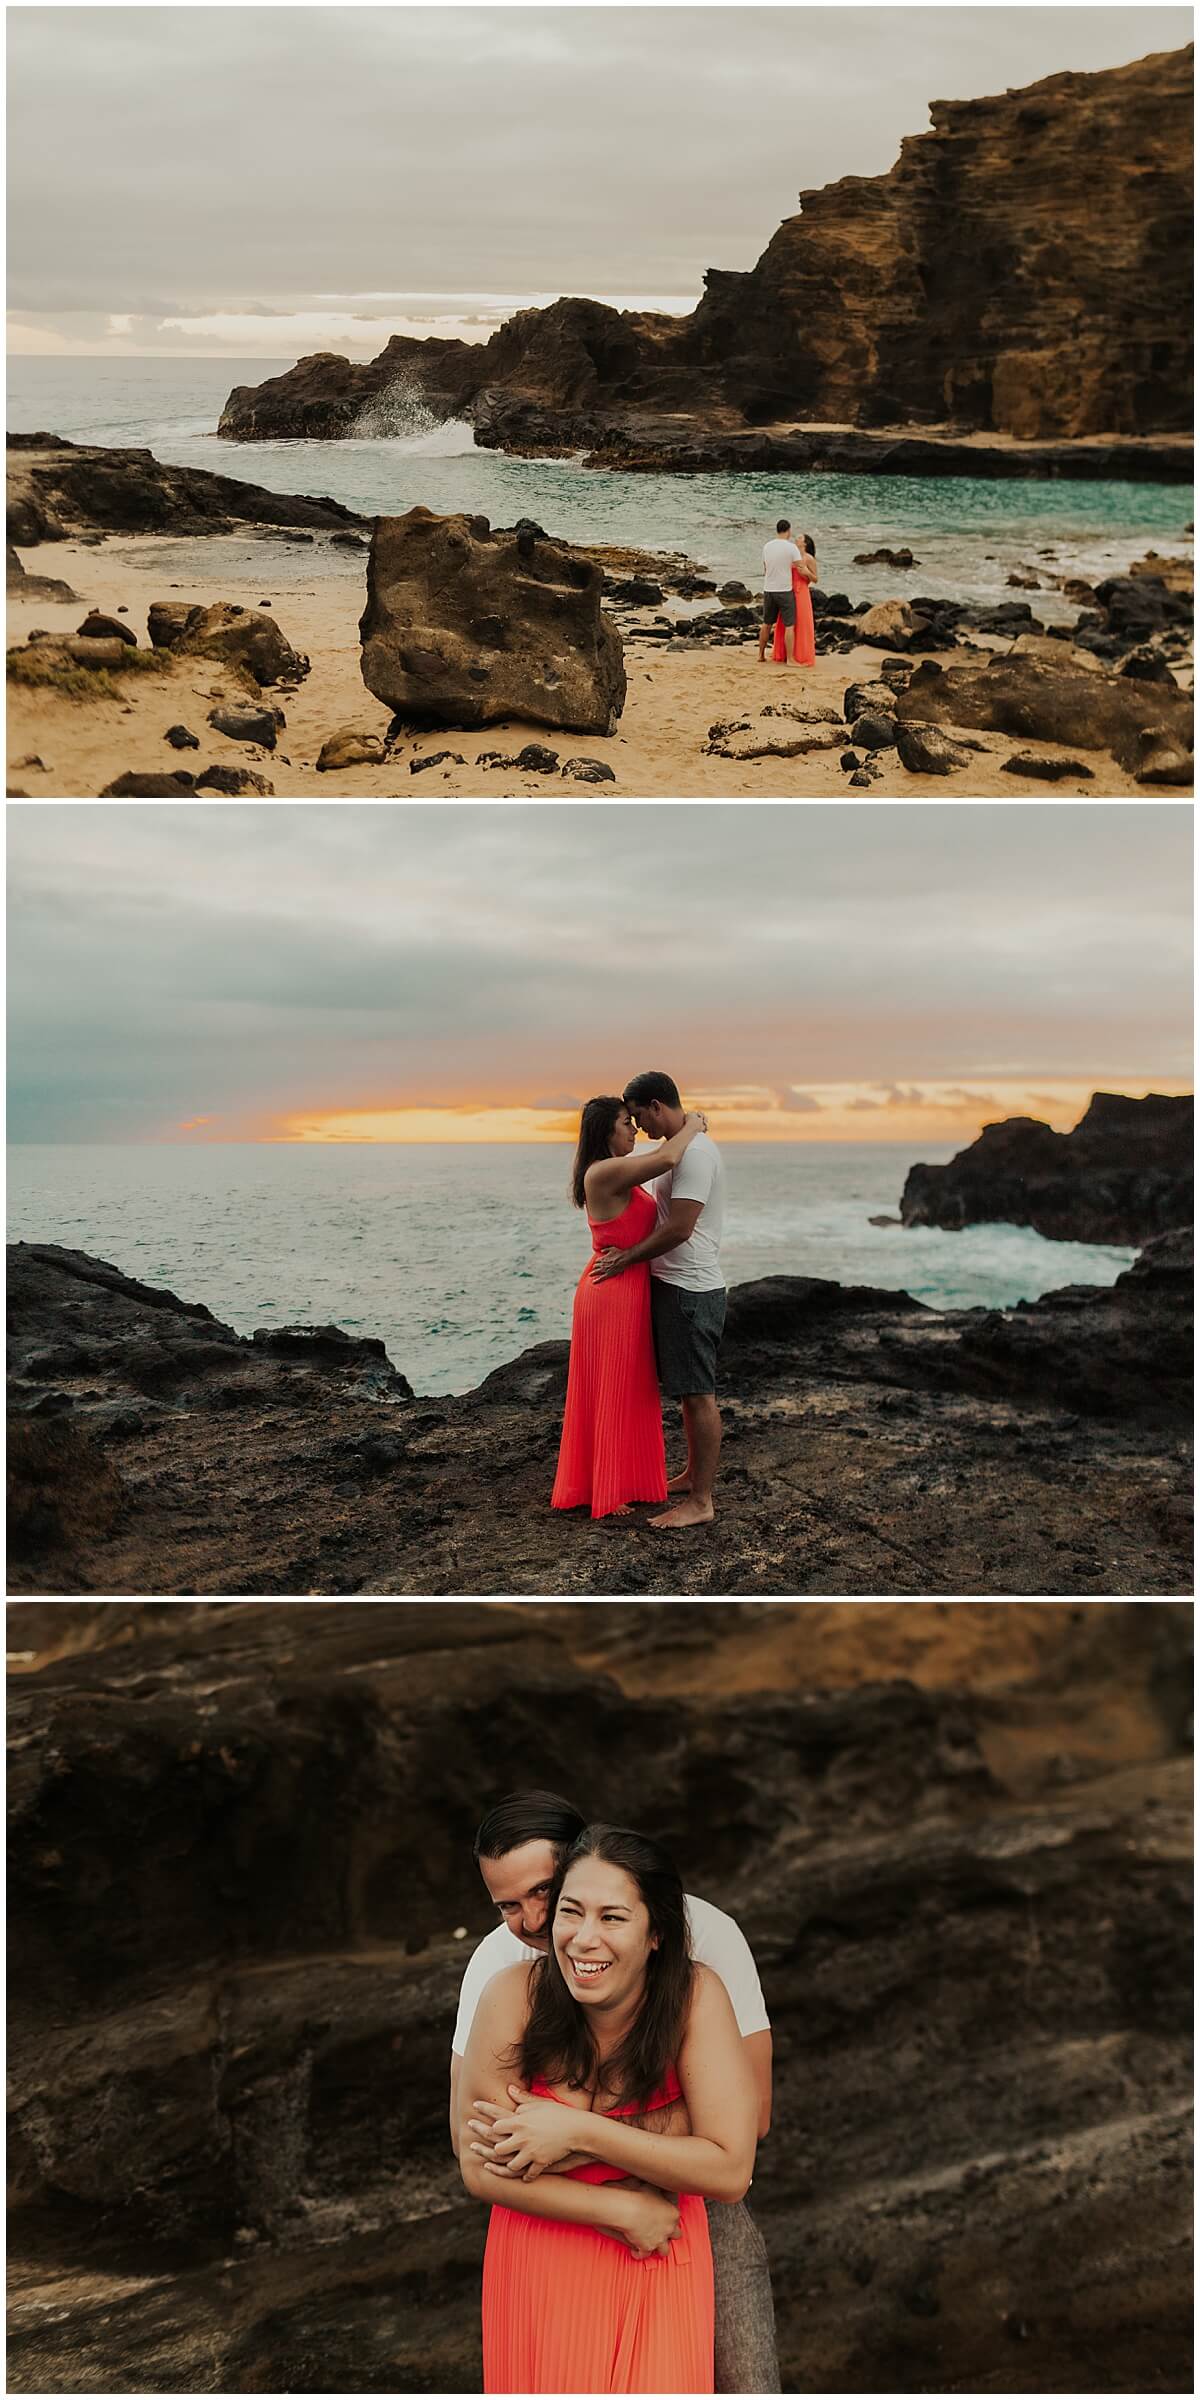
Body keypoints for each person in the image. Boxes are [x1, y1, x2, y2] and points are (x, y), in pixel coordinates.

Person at [450, 1791, 779, 2394]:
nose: (539, 1923)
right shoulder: (503, 1971)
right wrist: (615, 2201)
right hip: (552, 2225)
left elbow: (745, 2125)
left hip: (688, 2206)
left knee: (744, 2379)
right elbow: (482, 2153)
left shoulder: (703, 1944)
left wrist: (570, 2133)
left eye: (545, 1892)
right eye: (507, 1904)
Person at [551, 1097, 708, 1520]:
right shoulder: (603, 1171)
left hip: (625, 1286)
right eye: (627, 1123)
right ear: (606, 1131)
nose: (634, 1129)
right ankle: (606, 1487)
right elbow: (669, 1155)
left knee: (627, 1390)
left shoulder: (617, 1173)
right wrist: (692, 1123)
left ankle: (617, 1479)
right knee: (611, 1389)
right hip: (611, 1291)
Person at [592, 1071, 725, 1530]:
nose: (639, 1128)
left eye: (638, 1117)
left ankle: (702, 1500)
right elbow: (659, 1163)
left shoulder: (696, 1155)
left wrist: (627, 1257)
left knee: (699, 1394)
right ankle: (692, 1476)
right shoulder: (680, 1148)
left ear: (654, 1105)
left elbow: (679, 1228)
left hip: (691, 1288)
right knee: (687, 1394)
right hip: (672, 1286)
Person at [757, 517, 804, 664]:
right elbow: (800, 567)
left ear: (777, 530)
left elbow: (765, 568)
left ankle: (760, 655)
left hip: (768, 589)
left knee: (766, 623)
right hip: (784, 590)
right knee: (789, 625)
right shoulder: (791, 547)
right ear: (788, 531)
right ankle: (790, 659)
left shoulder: (767, 546)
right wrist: (812, 577)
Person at [771, 531, 818, 666]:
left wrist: (806, 572)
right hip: (787, 590)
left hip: (802, 592)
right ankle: (783, 654)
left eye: (800, 538)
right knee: (786, 622)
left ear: (805, 543)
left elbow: (815, 579)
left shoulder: (809, 558)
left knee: (801, 623)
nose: (796, 538)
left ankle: (801, 655)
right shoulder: (791, 556)